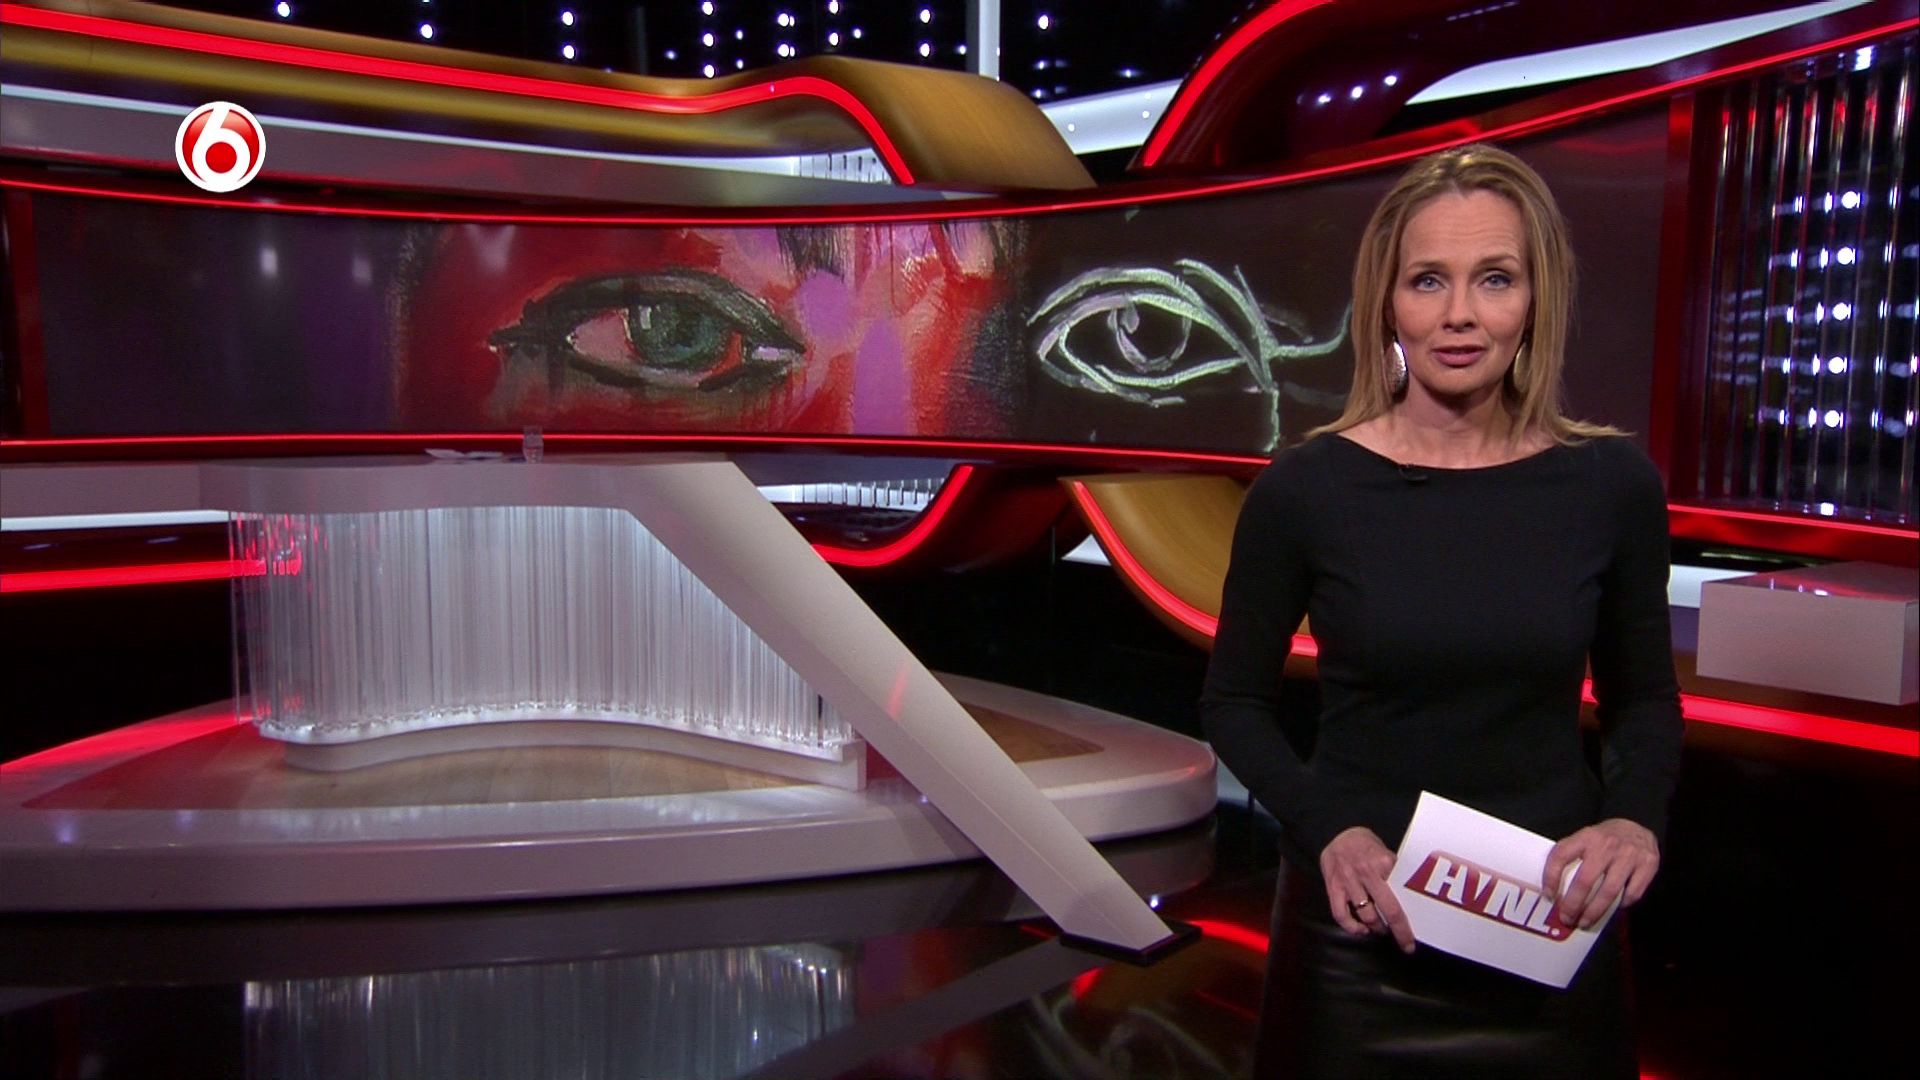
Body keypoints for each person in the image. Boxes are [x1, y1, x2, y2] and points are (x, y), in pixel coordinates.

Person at [1199, 143, 1683, 1078]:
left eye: (1494, 278)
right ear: (1387, 301)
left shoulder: (1611, 484)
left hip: (1548, 926)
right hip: (1361, 929)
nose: (1460, 313)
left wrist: (1633, 820)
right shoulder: (1307, 489)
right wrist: (1328, 830)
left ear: (1536, 298)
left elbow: (1644, 700)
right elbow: (1234, 702)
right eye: (1429, 280)